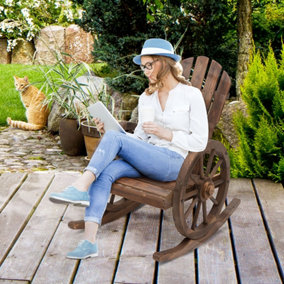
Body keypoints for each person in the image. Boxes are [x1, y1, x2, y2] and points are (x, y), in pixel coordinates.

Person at [49, 38, 209, 259]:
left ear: (164, 62)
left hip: (173, 162)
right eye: (143, 66)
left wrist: (167, 134)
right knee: (105, 174)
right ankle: (89, 242)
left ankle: (80, 185)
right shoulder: (147, 97)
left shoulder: (191, 95)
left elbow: (200, 141)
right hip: (147, 157)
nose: (145, 71)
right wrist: (108, 132)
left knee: (115, 144)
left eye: (149, 65)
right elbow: (139, 138)